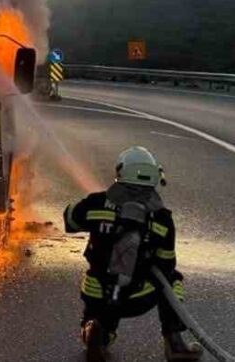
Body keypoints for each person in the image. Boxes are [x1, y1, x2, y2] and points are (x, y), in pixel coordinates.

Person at [64, 146, 204, 362]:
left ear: (120, 172)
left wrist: (101, 218)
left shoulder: (96, 203)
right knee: (173, 280)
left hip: (97, 291)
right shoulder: (162, 218)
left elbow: (70, 220)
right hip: (137, 297)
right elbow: (166, 263)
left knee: (101, 321)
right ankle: (175, 343)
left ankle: (95, 330)